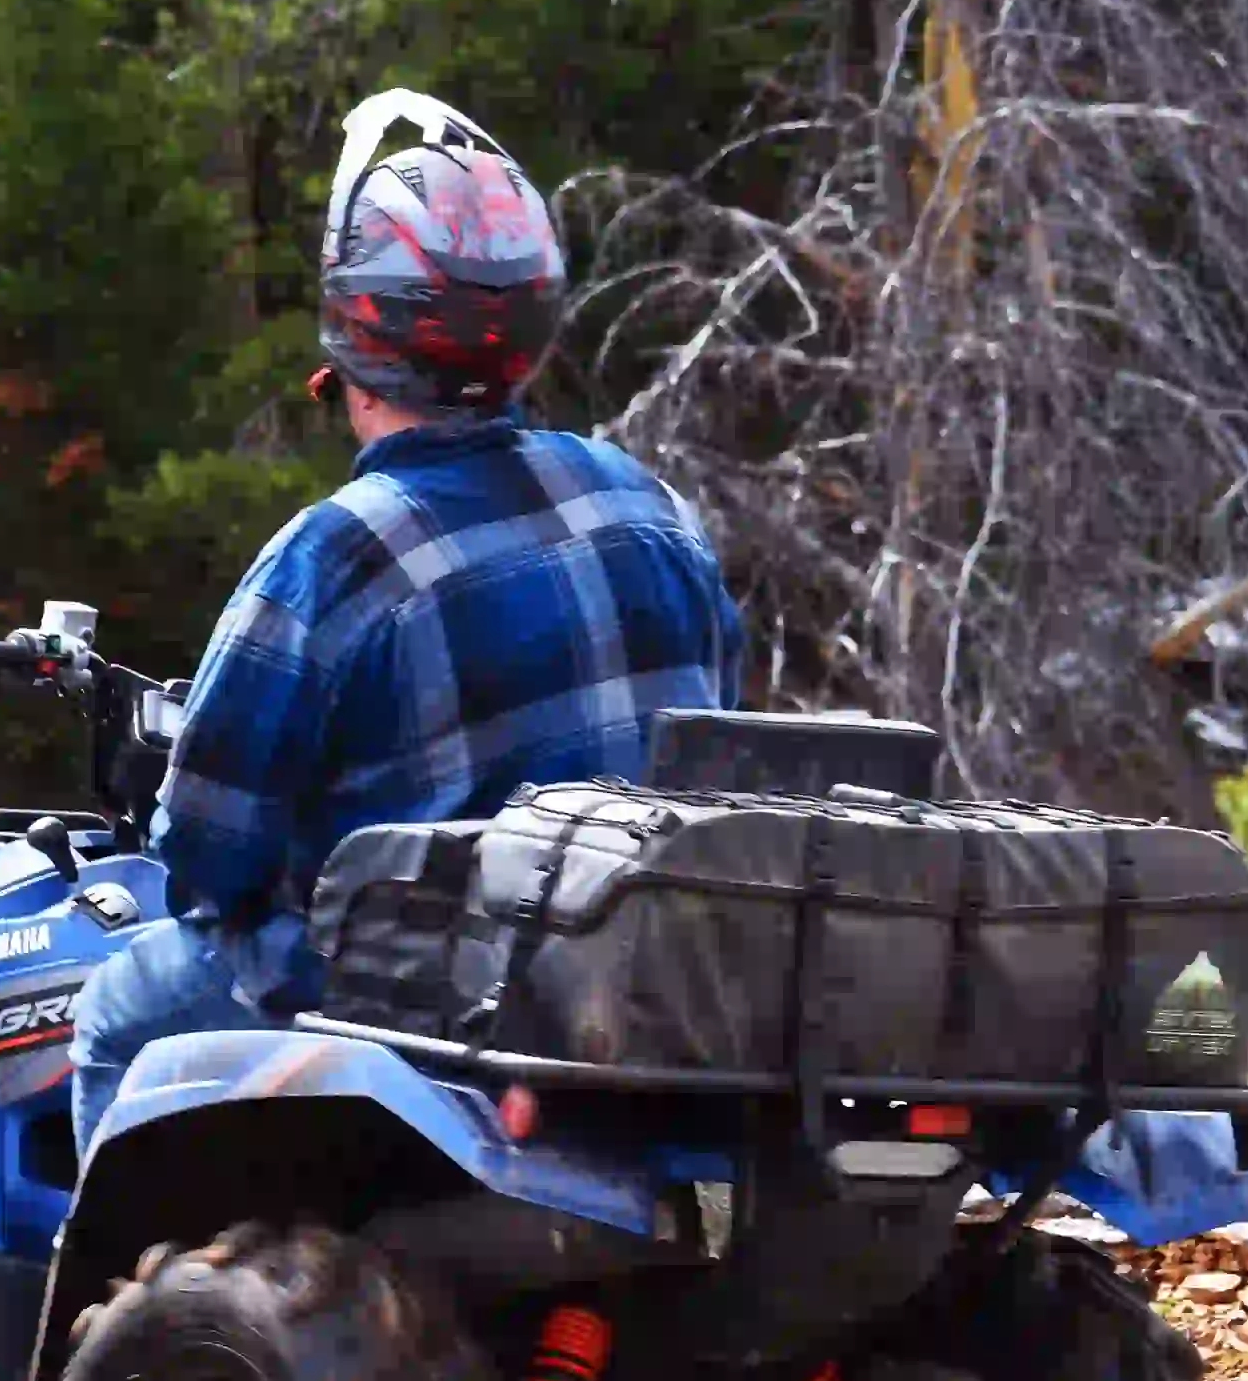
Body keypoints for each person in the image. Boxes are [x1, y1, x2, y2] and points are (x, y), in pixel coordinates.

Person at [71, 91, 746, 1150]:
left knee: (117, 1012)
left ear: (353, 335)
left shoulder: (336, 556)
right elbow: (716, 743)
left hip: (432, 1013)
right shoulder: (646, 508)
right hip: (646, 997)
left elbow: (205, 861)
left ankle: (130, 1303)